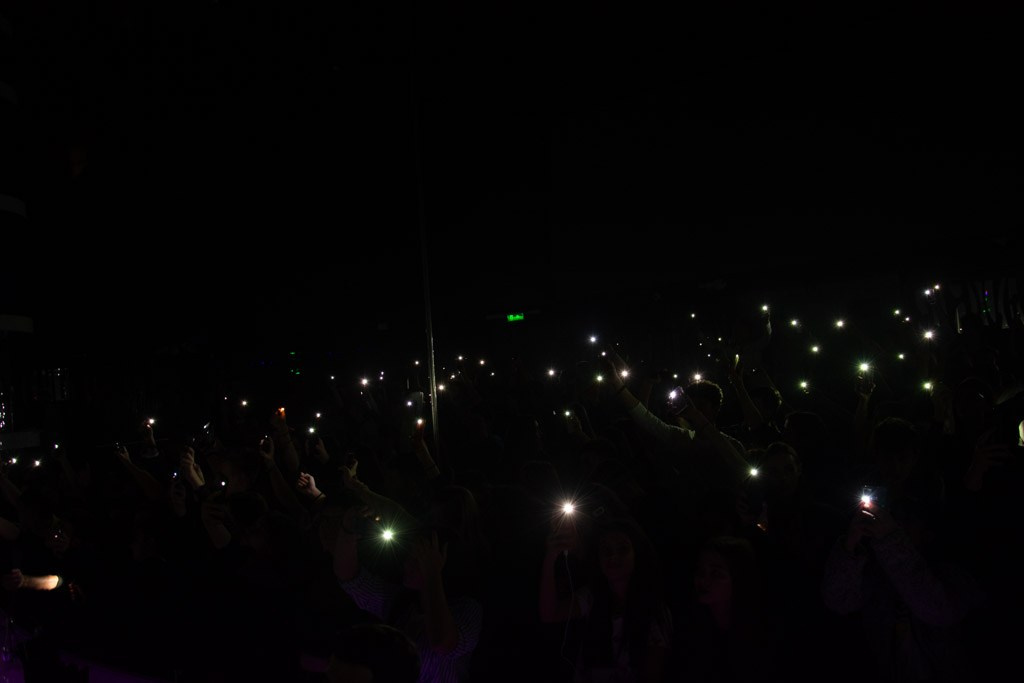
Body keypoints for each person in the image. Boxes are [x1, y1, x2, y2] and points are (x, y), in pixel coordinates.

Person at [540, 515, 672, 682]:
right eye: (606, 550)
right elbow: (550, 614)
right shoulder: (592, 597)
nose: (613, 557)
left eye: (622, 549)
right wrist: (551, 555)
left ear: (636, 553)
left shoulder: (654, 611)